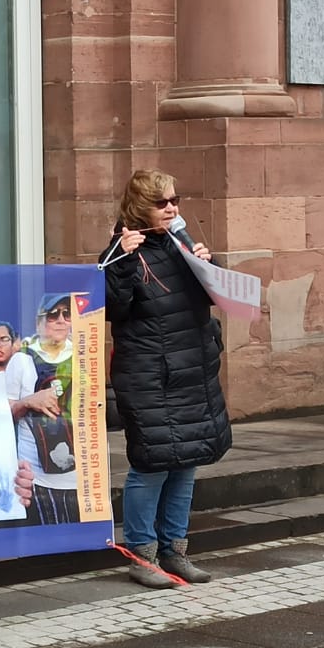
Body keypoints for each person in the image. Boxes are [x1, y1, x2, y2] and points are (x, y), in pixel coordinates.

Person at [103, 170, 231, 588]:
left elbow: (217, 294)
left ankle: (175, 550)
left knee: (186, 461)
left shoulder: (179, 242)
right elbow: (111, 307)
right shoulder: (123, 250)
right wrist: (119, 259)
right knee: (152, 463)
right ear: (141, 206)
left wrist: (211, 263)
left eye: (175, 200)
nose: (173, 207)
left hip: (190, 369)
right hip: (150, 375)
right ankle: (142, 554)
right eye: (162, 203)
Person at [4, 294, 84, 525]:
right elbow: (5, 413)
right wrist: (28, 402)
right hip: (37, 477)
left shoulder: (84, 355)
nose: (61, 320)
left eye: (66, 314)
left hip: (82, 476)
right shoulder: (21, 360)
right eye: (53, 315)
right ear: (39, 323)